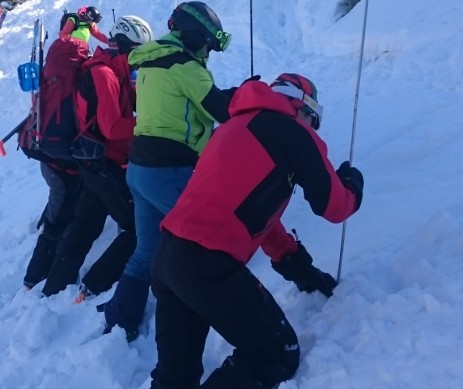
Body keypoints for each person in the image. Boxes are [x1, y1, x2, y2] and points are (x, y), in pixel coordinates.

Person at [149, 72, 363, 388]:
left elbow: (259, 219)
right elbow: (334, 206)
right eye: (313, 121)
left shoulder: (231, 129)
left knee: (175, 377)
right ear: (302, 107)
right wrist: (353, 187)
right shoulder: (292, 132)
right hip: (208, 264)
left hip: (169, 258)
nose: (313, 129)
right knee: (277, 353)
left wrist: (302, 271)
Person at [101, 1, 236, 341]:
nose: (208, 52)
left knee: (146, 250)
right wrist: (245, 95)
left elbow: (181, 107)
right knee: (208, 241)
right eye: (207, 44)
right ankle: (215, 312)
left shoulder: (149, 62)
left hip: (140, 170)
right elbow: (222, 111)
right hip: (167, 171)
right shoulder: (186, 67)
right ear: (195, 36)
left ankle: (121, 317)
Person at [40, 16, 154, 301]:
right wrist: (148, 125)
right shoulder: (104, 74)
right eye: (138, 52)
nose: (139, 60)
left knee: (86, 225)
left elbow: (123, 107)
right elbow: (112, 127)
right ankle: (94, 286)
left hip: (93, 161)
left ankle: (56, 286)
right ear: (127, 46)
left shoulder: (112, 70)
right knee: (137, 228)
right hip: (104, 162)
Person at [22, 160, 80, 290]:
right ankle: (35, 278)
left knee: (60, 213)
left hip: (58, 164)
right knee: (55, 223)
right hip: (61, 169)